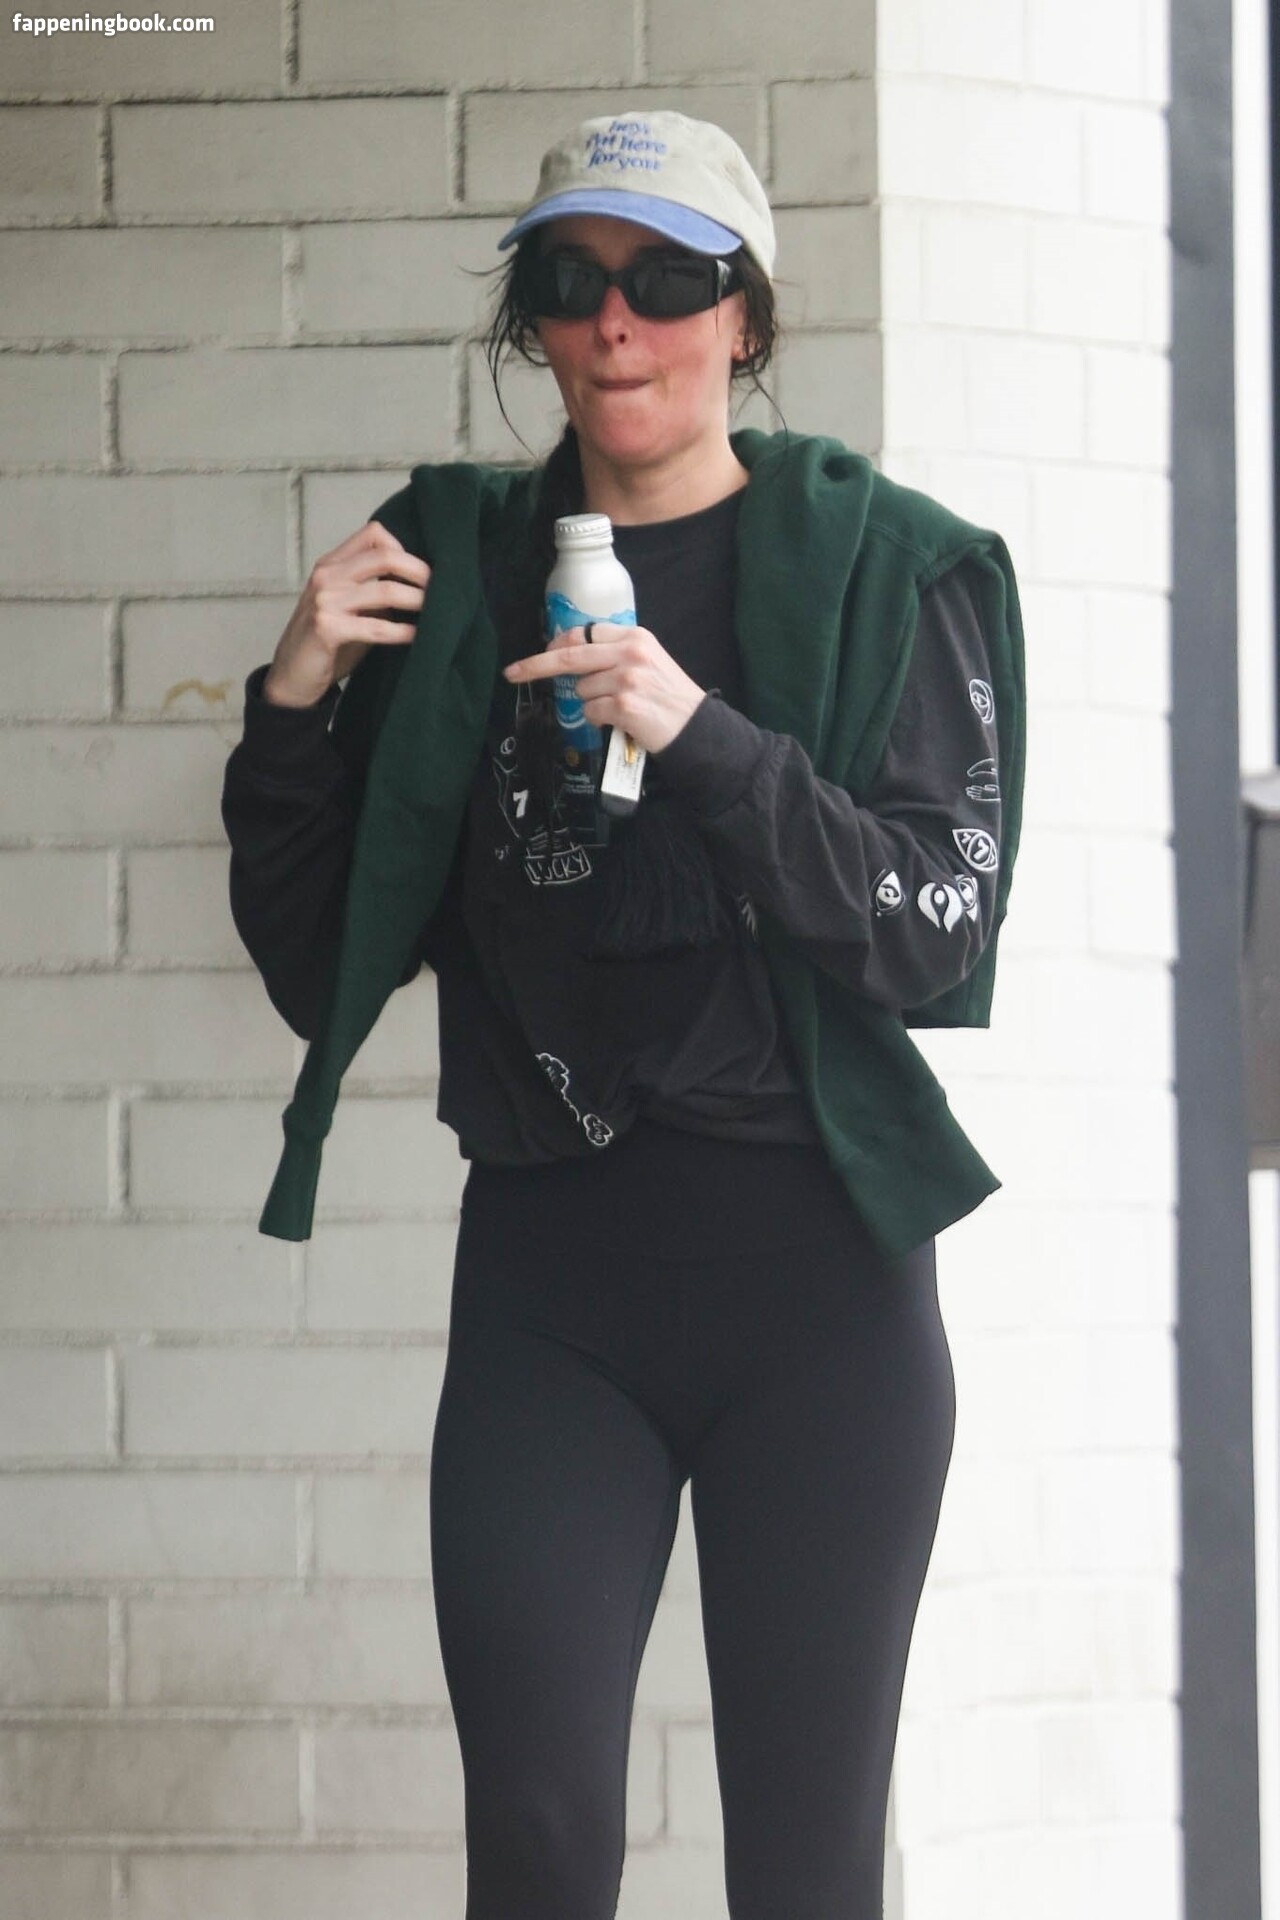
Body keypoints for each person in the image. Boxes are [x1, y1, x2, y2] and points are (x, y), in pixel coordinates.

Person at [221, 109, 1024, 1920]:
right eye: (571, 283)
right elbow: (317, 965)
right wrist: (292, 703)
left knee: (807, 1874)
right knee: (540, 1839)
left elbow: (933, 927)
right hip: (554, 1292)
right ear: (532, 320)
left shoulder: (893, 569)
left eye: (668, 281)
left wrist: (704, 738)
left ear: (746, 314)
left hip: (823, 1298)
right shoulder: (459, 572)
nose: (616, 323)